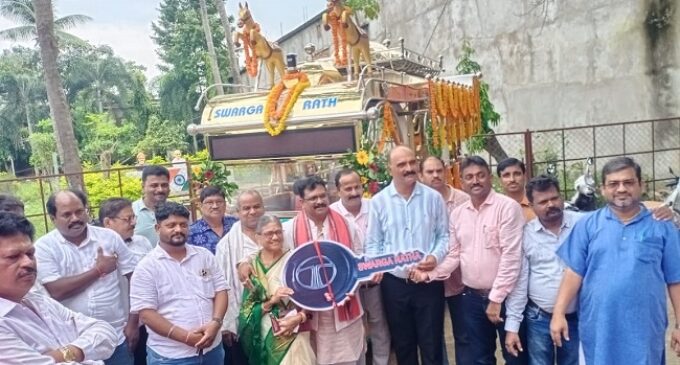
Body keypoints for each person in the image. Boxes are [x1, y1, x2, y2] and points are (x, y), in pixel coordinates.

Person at [550, 157, 680, 364]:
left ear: (641, 185)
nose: (621, 189)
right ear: (602, 189)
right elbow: (573, 272)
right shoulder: (588, 225)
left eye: (628, 182)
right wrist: (559, 314)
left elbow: (676, 279)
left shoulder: (662, 226)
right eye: (613, 184)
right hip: (599, 327)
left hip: (644, 329)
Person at [412, 156, 527, 365]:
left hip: (506, 299)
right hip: (472, 298)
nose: (476, 181)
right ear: (462, 182)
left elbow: (511, 258)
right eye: (469, 177)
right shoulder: (458, 214)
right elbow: (454, 255)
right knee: (480, 358)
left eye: (481, 175)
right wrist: (429, 274)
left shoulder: (508, 208)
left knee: (515, 357)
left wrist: (496, 299)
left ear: (490, 178)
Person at [365, 146, 449, 365]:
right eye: (402, 164)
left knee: (432, 345)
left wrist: (434, 257)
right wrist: (376, 268)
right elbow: (374, 242)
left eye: (412, 162)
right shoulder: (379, 202)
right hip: (395, 285)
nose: (409, 168)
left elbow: (444, 236)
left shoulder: (433, 198)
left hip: (428, 283)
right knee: (403, 345)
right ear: (390, 168)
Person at [34, 190, 139, 365]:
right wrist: (98, 271)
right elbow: (57, 291)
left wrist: (133, 323)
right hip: (73, 344)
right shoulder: (44, 247)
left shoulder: (109, 237)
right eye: (67, 214)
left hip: (117, 336)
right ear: (53, 218)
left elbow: (135, 279)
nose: (75, 218)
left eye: (79, 211)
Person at [0, 212, 118, 364]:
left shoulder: (39, 301)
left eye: (30, 254)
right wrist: (84, 351)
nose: (28, 263)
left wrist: (64, 354)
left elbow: (105, 332)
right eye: (13, 257)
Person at [130, 202, 228, 364]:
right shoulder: (146, 267)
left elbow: (221, 291)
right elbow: (147, 315)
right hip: (172, 357)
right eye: (171, 225)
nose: (178, 229)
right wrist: (187, 337)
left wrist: (216, 323)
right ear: (157, 228)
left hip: (213, 350)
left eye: (183, 224)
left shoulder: (204, 256)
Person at [284, 175, 366, 365]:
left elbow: (359, 257)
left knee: (349, 358)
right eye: (313, 198)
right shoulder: (289, 230)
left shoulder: (346, 224)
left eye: (323, 196)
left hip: (345, 310)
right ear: (302, 202)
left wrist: (364, 274)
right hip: (312, 316)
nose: (320, 201)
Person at [503, 175, 580, 365]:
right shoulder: (526, 235)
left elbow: (617, 212)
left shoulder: (582, 224)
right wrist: (512, 327)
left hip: (577, 317)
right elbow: (520, 282)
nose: (550, 204)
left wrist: (660, 212)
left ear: (561, 197)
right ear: (531, 205)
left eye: (554, 198)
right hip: (539, 318)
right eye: (543, 201)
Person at [330, 168, 391, 365]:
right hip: (347, 287)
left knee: (379, 324)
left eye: (357, 187)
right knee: (353, 327)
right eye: (348, 188)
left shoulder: (375, 207)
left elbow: (386, 241)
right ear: (338, 190)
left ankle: (381, 362)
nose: (354, 192)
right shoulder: (332, 214)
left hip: (375, 282)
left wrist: (379, 266)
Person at [239, 214, 315, 365]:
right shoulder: (252, 266)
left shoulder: (296, 261)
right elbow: (246, 310)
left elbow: (312, 299)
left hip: (292, 330)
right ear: (258, 237)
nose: (275, 237)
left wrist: (300, 318)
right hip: (263, 333)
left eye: (278, 232)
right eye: (269, 233)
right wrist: (272, 301)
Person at [418, 156, 470, 364]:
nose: (435, 175)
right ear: (421, 176)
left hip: (460, 278)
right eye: (429, 172)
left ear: (447, 171)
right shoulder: (416, 204)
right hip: (428, 281)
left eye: (439, 170)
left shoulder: (463, 200)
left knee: (464, 334)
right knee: (432, 336)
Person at [99, 197, 153, 365]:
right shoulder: (99, 251)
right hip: (115, 326)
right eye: (127, 219)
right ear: (108, 222)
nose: (133, 223)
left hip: (144, 321)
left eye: (133, 217)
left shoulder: (142, 242)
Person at [216, 189, 265, 365]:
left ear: (263, 208)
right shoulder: (226, 245)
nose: (252, 211)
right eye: (246, 208)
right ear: (237, 212)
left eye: (256, 206)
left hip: (275, 314)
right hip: (242, 319)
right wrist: (226, 323)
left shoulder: (277, 235)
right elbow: (221, 285)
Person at [188, 186, 238, 254]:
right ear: (200, 206)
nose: (215, 206)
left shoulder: (236, 224)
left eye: (219, 202)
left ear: (225, 204)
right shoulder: (191, 233)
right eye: (210, 203)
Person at [133, 165, 170, 246]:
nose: (160, 190)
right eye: (154, 185)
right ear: (143, 186)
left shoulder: (179, 211)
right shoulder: (131, 213)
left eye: (164, 185)